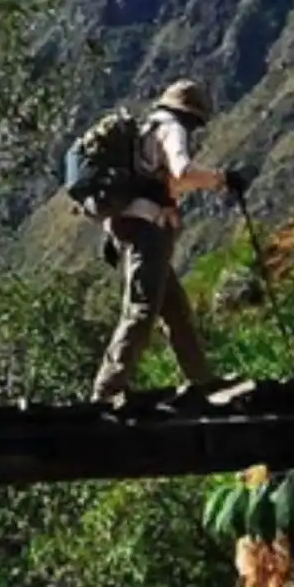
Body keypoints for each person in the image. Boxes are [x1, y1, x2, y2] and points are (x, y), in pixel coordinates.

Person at [91, 79, 248, 404]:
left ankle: (202, 381)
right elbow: (182, 171)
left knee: (175, 310)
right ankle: (107, 389)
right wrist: (222, 179)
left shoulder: (145, 130)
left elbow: (135, 184)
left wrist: (110, 231)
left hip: (130, 226)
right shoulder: (172, 129)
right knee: (141, 309)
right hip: (148, 231)